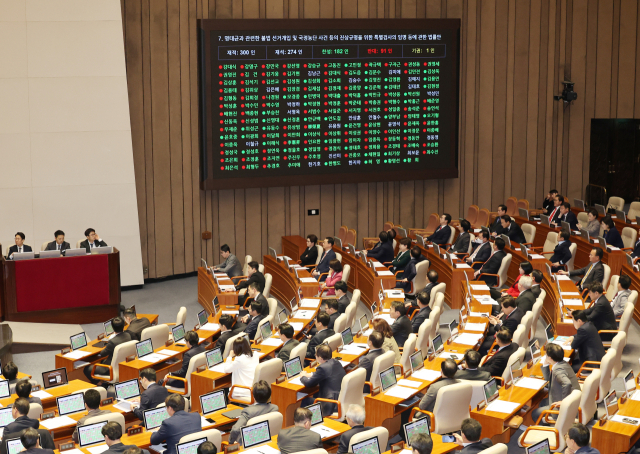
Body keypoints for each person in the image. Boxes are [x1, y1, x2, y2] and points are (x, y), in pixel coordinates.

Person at [531, 343, 580, 423]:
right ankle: (547, 420)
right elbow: (549, 380)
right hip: (567, 398)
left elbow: (567, 383)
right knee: (542, 402)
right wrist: (545, 365)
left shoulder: (558, 370)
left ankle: (548, 429)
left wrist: (564, 402)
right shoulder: (562, 363)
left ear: (550, 358)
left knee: (535, 413)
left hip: (565, 405)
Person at [84, 316, 132, 384]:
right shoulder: (128, 335)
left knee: (87, 369)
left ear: (112, 328)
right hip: (123, 365)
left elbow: (103, 354)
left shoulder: (113, 342)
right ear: (124, 325)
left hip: (110, 369)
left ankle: (100, 384)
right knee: (102, 361)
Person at [300, 344, 345, 415]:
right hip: (339, 398)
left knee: (305, 400)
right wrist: (311, 374)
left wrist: (302, 376)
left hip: (330, 404)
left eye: (316, 355)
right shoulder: (336, 362)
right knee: (315, 393)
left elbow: (309, 383)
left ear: (320, 358)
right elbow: (327, 373)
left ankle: (305, 423)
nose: (315, 356)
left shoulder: (322, 368)